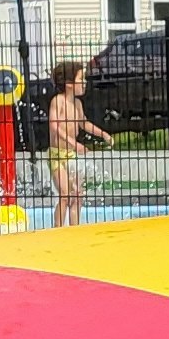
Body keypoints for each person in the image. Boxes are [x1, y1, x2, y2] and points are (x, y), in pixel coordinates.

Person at [46, 61, 115, 228]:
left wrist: (103, 134)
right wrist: (73, 143)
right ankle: (58, 230)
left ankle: (75, 229)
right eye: (81, 79)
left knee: (77, 194)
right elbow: (54, 125)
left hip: (71, 155)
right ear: (69, 84)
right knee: (65, 195)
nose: (85, 82)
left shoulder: (77, 104)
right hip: (57, 155)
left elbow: (84, 123)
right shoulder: (58, 101)